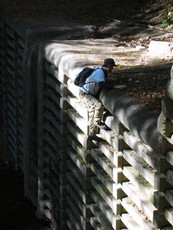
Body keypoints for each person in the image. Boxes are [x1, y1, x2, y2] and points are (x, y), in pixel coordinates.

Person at [79, 58, 126, 136]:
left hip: (89, 93)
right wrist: (115, 87)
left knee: (92, 112)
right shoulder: (100, 72)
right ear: (108, 66)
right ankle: (97, 123)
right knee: (98, 105)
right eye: (112, 67)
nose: (112, 68)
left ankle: (92, 134)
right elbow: (102, 84)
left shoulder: (101, 70)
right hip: (85, 93)